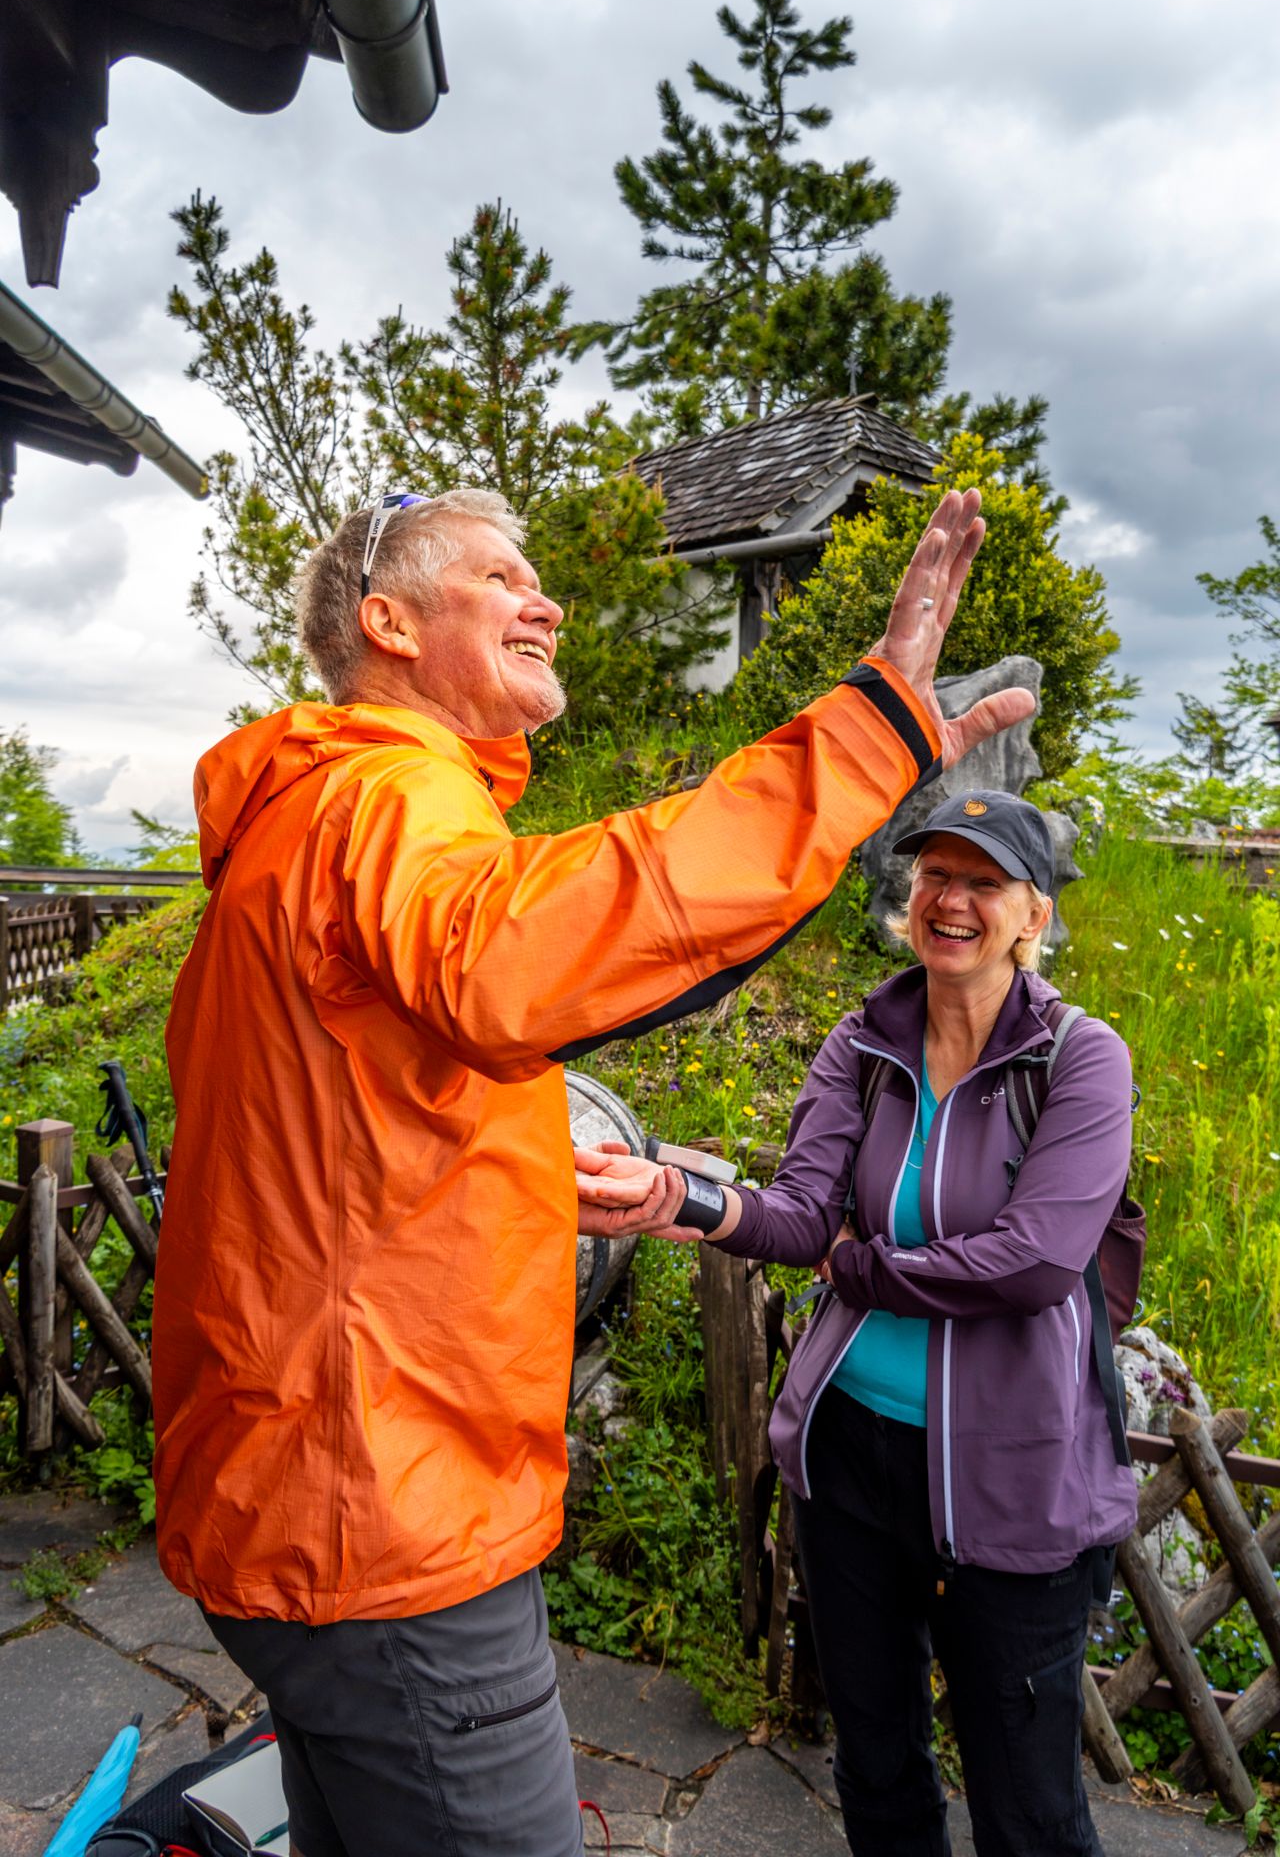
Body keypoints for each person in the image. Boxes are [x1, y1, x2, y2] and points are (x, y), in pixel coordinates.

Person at [153, 482, 1030, 1857]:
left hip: (296, 1483)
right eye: (500, 578)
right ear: (391, 625)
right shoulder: (386, 795)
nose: (545, 600)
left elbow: (340, 1139)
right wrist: (868, 736)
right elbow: (527, 954)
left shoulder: (302, 819)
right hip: (386, 1508)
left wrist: (505, 1161)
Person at [634, 788, 1137, 1857]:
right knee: (875, 1764)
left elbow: (1035, 1263)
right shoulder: (864, 1040)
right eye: (934, 874)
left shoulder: (1080, 1058)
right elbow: (799, 1211)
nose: (950, 900)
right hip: (848, 1460)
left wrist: (859, 1266)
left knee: (1029, 1809)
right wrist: (686, 1201)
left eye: (983, 881)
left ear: (1033, 915)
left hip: (1010, 1476)